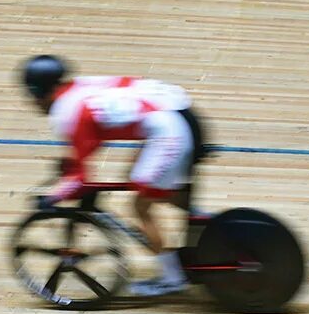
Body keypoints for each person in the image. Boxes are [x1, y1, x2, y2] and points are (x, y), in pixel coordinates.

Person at [21, 54, 208, 297]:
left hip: (169, 130)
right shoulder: (78, 87)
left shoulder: (66, 114)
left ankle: (172, 279)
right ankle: (206, 227)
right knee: (139, 180)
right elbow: (93, 135)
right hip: (178, 114)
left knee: (141, 206)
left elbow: (81, 180)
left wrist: (51, 199)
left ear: (38, 94)